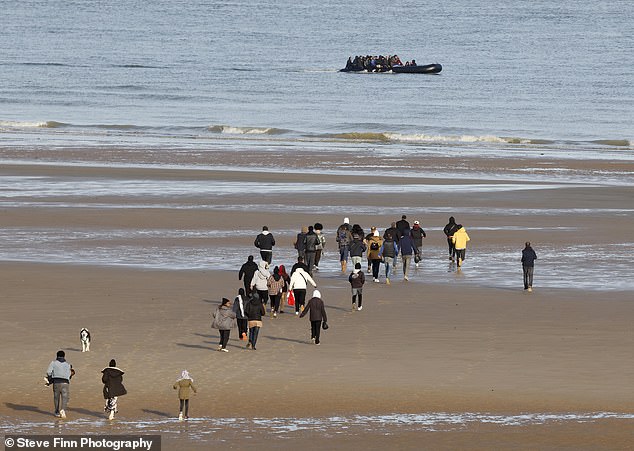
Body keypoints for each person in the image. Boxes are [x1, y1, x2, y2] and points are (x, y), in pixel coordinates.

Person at [46, 350, 74, 419]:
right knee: (65, 397)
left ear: (57, 356)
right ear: (64, 356)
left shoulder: (53, 363)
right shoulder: (68, 364)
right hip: (65, 382)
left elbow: (48, 372)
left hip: (56, 382)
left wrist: (50, 379)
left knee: (56, 397)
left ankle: (57, 412)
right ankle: (63, 410)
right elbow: (70, 374)